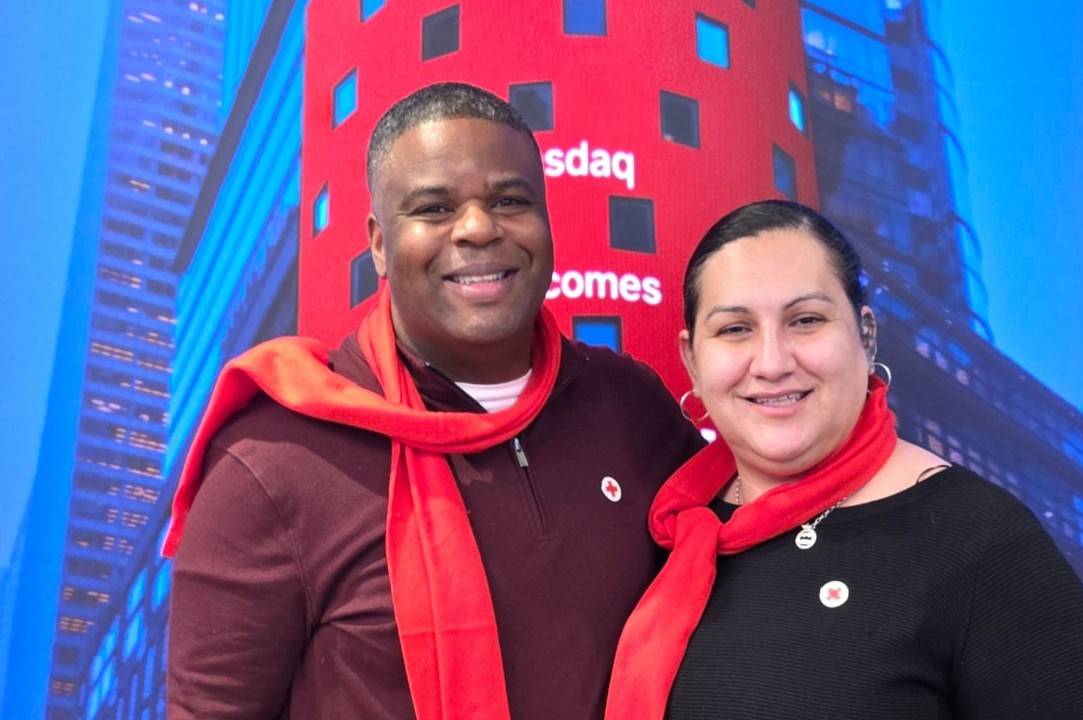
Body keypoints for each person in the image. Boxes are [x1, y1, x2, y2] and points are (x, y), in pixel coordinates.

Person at [164, 82, 704, 720]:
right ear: (379, 243)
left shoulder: (630, 405)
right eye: (434, 208)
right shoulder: (274, 459)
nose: (477, 229)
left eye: (509, 200)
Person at [605, 200, 1083, 719]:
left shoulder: (984, 546)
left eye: (806, 320)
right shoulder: (666, 535)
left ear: (866, 336)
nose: (772, 362)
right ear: (693, 361)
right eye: (735, 329)